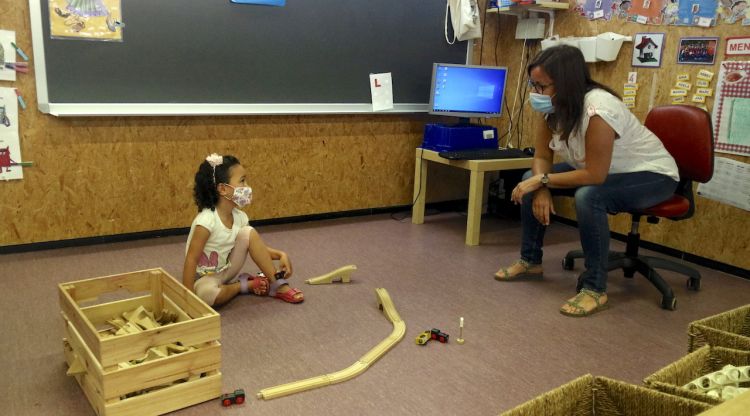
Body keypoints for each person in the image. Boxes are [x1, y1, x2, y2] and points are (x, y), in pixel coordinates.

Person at [494, 45, 679, 317]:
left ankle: (595, 289)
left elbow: (595, 176)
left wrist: (543, 180)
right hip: (603, 170)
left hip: (652, 175)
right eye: (533, 84)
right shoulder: (552, 107)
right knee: (528, 178)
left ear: (566, 83)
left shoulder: (599, 109)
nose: (536, 93)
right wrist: (542, 185)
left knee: (589, 196)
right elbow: (542, 156)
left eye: (542, 86)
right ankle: (531, 261)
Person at [183, 153, 304, 307]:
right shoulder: (206, 221)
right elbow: (191, 259)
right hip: (203, 279)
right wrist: (187, 300)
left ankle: (279, 285)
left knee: (248, 232)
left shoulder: (240, 217)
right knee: (206, 295)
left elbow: (257, 247)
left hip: (226, 271)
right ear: (223, 189)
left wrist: (281, 255)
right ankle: (243, 285)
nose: (247, 187)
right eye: (242, 181)